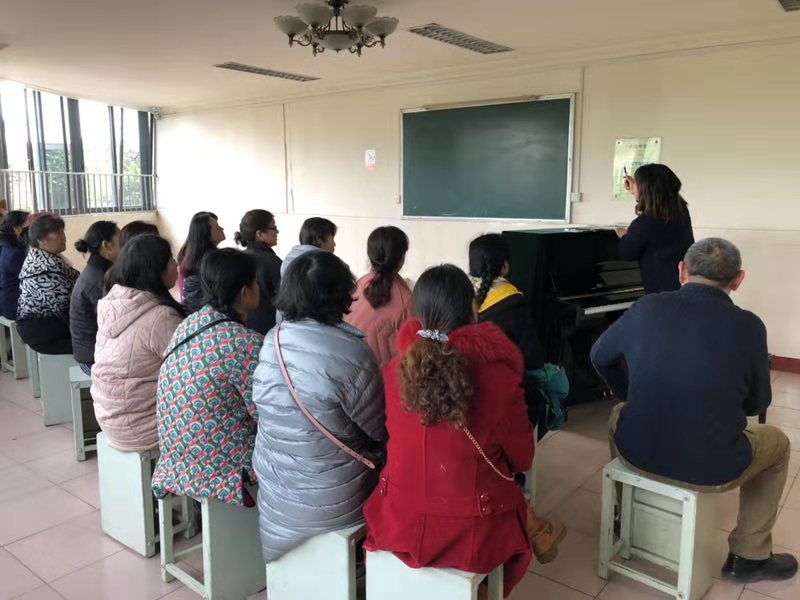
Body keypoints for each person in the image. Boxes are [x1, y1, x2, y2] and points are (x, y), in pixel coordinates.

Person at [591, 238, 797, 583]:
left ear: (682, 271)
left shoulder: (646, 306)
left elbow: (599, 356)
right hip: (712, 466)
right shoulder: (749, 325)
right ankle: (749, 555)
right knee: (779, 444)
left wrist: (628, 394)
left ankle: (623, 517)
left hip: (636, 451)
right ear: (738, 280)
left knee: (618, 415)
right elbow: (757, 404)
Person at [363, 265, 533, 598]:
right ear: (473, 309)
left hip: (398, 519)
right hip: (473, 528)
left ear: (417, 314)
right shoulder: (498, 377)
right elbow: (523, 458)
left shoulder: (394, 371)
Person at [252, 250, 386, 562]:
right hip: (331, 494)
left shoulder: (273, 339)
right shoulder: (353, 352)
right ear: (340, 294)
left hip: (275, 483)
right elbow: (378, 430)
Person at [468, 233, 567, 560]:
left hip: (468, 403)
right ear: (505, 266)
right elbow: (533, 362)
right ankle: (522, 500)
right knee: (545, 393)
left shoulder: (461, 300)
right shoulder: (513, 303)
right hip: (504, 404)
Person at [153, 248, 263, 507]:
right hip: (221, 468)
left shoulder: (189, 324)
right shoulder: (245, 342)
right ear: (245, 292)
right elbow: (265, 412)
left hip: (175, 457)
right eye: (256, 282)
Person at [91, 235, 185, 452]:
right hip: (142, 426)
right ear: (156, 269)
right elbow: (189, 371)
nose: (176, 265)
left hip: (110, 416)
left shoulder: (114, 302)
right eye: (171, 260)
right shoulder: (160, 317)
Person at [616, 163, 695, 294]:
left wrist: (624, 235)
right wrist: (636, 188)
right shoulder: (681, 211)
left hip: (661, 291)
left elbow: (627, 253)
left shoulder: (643, 223)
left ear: (645, 190)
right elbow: (655, 202)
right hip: (685, 284)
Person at [345, 226, 412, 368]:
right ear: (401, 259)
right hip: (383, 375)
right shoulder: (406, 300)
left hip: (348, 365)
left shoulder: (357, 285)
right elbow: (412, 349)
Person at [16, 214, 79, 354]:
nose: (63, 237)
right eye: (58, 233)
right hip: (44, 332)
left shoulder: (49, 257)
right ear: (40, 239)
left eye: (63, 232)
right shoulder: (43, 268)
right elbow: (65, 310)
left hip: (54, 324)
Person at [70, 221, 120, 375]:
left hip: (91, 350)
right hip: (91, 359)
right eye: (121, 241)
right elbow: (116, 323)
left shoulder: (97, 270)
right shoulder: (100, 279)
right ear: (106, 245)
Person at [234, 209, 282, 334]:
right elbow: (286, 300)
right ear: (260, 234)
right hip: (269, 331)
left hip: (242, 328)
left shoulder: (237, 258)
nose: (277, 231)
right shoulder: (272, 262)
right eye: (274, 228)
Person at [177, 211, 225, 313]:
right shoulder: (211, 261)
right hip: (205, 314)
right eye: (217, 228)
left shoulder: (195, 256)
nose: (222, 228)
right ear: (208, 236)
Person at [0, 210, 30, 321]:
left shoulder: (7, 246)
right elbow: (30, 279)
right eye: (29, 226)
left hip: (8, 301)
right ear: (17, 229)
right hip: (14, 305)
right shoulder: (15, 252)